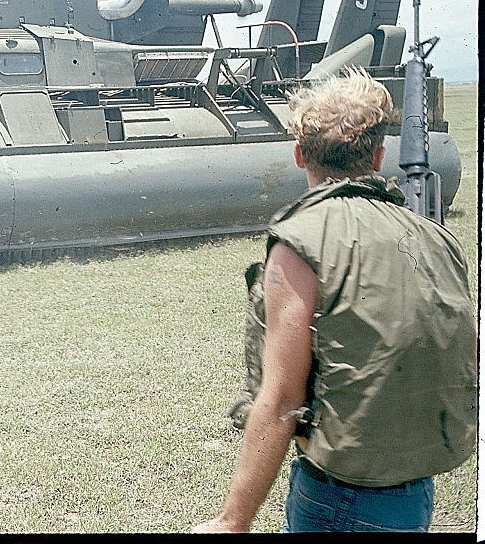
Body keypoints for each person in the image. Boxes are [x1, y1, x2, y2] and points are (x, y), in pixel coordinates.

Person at [193, 66, 476, 533]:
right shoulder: (437, 238)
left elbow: (282, 398)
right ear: (380, 155)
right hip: (417, 490)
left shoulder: (299, 242)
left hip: (339, 499)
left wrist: (231, 522)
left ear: (300, 155)